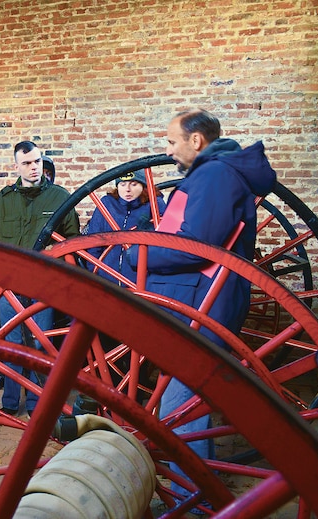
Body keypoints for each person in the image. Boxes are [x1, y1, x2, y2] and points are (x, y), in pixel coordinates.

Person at [129, 108, 276, 502]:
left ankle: (196, 498)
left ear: (196, 140)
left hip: (204, 302)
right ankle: (196, 490)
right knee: (187, 400)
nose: (168, 149)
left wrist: (136, 254)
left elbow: (197, 245)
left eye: (172, 141)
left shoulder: (215, 174)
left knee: (182, 405)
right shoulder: (219, 172)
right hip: (206, 298)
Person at [0, 141, 80, 416]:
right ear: (16, 166)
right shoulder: (4, 200)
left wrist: (54, 255)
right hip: (10, 286)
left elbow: (73, 241)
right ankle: (10, 404)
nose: (33, 167)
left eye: (37, 161)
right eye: (26, 163)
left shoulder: (60, 198)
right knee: (12, 344)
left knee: (41, 344)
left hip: (43, 285)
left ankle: (38, 405)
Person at [85, 169, 166, 285]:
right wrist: (94, 272)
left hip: (142, 282)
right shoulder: (107, 204)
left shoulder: (155, 205)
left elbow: (165, 243)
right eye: (122, 184)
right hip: (106, 279)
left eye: (134, 184)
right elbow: (92, 243)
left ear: (143, 186)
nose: (127, 189)